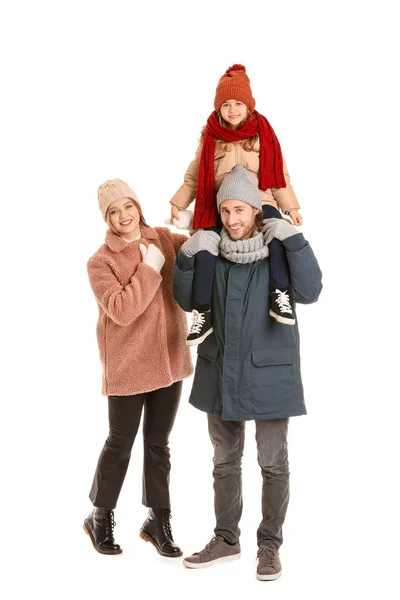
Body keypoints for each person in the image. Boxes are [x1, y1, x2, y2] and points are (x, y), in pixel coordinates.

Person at [173, 165, 322, 581]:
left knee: (273, 463)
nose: (232, 220)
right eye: (225, 212)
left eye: (240, 210)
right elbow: (187, 302)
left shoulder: (277, 255)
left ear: (257, 211)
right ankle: (226, 540)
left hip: (271, 373)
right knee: (224, 461)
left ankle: (269, 546)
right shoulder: (212, 255)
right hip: (220, 369)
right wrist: (187, 256)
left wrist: (294, 241)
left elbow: (311, 291)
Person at [83, 178, 193, 557]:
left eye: (127, 206)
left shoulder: (163, 239)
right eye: (114, 211)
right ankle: (100, 515)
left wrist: (195, 220)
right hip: (128, 366)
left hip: (169, 360)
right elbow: (122, 310)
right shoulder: (100, 261)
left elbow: (199, 249)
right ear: (107, 218)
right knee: (120, 444)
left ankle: (158, 521)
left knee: (158, 444)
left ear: (138, 206)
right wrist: (149, 269)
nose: (123, 216)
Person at [169, 64, 302, 346]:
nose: (232, 110)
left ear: (248, 106)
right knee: (205, 243)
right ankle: (202, 310)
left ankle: (280, 295)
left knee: (276, 232)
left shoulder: (262, 134)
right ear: (218, 108)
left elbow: (279, 176)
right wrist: (179, 203)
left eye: (238, 103)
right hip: (223, 206)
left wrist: (290, 207)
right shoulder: (211, 138)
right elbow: (194, 177)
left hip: (260, 202)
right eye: (226, 104)